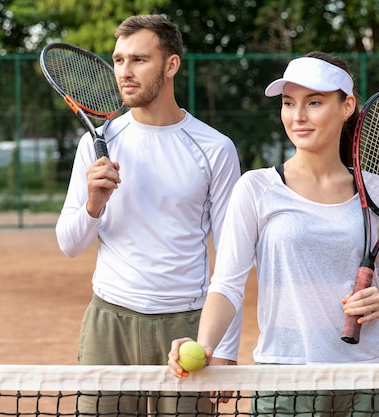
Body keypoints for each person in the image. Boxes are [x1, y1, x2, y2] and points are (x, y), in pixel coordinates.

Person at [167, 52, 379, 416]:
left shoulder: (377, 191)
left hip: (372, 376)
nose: (298, 116)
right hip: (286, 375)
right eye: (288, 103)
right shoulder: (257, 188)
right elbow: (227, 284)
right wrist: (205, 346)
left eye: (314, 102)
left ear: (346, 106)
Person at [55, 14, 242, 416]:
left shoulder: (215, 148)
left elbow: (232, 257)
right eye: (119, 60)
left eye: (139, 60)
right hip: (109, 321)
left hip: (187, 328)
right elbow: (69, 244)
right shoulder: (97, 144)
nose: (124, 71)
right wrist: (93, 204)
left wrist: (224, 348)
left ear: (170, 65)